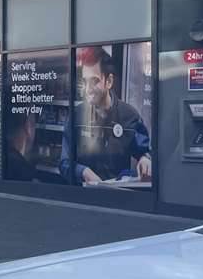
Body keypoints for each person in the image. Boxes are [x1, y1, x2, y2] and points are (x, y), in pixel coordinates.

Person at [60, 45, 152, 186]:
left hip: (117, 198)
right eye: (85, 82)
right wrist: (83, 171)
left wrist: (145, 159)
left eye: (94, 81)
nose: (88, 89)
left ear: (109, 81)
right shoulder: (76, 116)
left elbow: (145, 152)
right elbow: (64, 163)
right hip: (82, 199)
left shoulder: (130, 116)